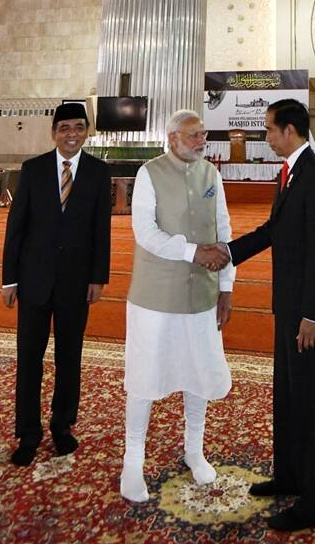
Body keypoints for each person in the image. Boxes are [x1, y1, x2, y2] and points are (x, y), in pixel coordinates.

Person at [226, 99, 315, 531]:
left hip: (307, 311)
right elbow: (275, 231)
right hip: (289, 304)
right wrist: (229, 254)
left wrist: (313, 314)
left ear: (289, 130)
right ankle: (290, 475)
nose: (266, 137)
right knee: (287, 393)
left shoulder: (313, 176)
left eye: (269, 130)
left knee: (308, 401)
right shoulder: (290, 172)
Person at [120, 109, 235, 502]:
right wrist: (192, 252)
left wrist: (226, 286)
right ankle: (132, 461)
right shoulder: (149, 174)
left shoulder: (211, 175)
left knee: (199, 372)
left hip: (201, 297)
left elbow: (223, 231)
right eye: (192, 136)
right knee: (144, 377)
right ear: (172, 138)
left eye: (203, 135)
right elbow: (145, 233)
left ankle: (194, 449)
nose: (201, 141)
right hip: (155, 297)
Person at [1, 102, 112, 467]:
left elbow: (101, 231)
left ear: (86, 131)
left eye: (79, 127)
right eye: (65, 128)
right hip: (33, 282)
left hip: (76, 284)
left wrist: (98, 276)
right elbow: (15, 228)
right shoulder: (32, 170)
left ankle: (63, 427)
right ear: (54, 132)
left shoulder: (98, 173)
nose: (72, 134)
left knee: (69, 359)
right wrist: (10, 280)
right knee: (29, 360)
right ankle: (28, 435)